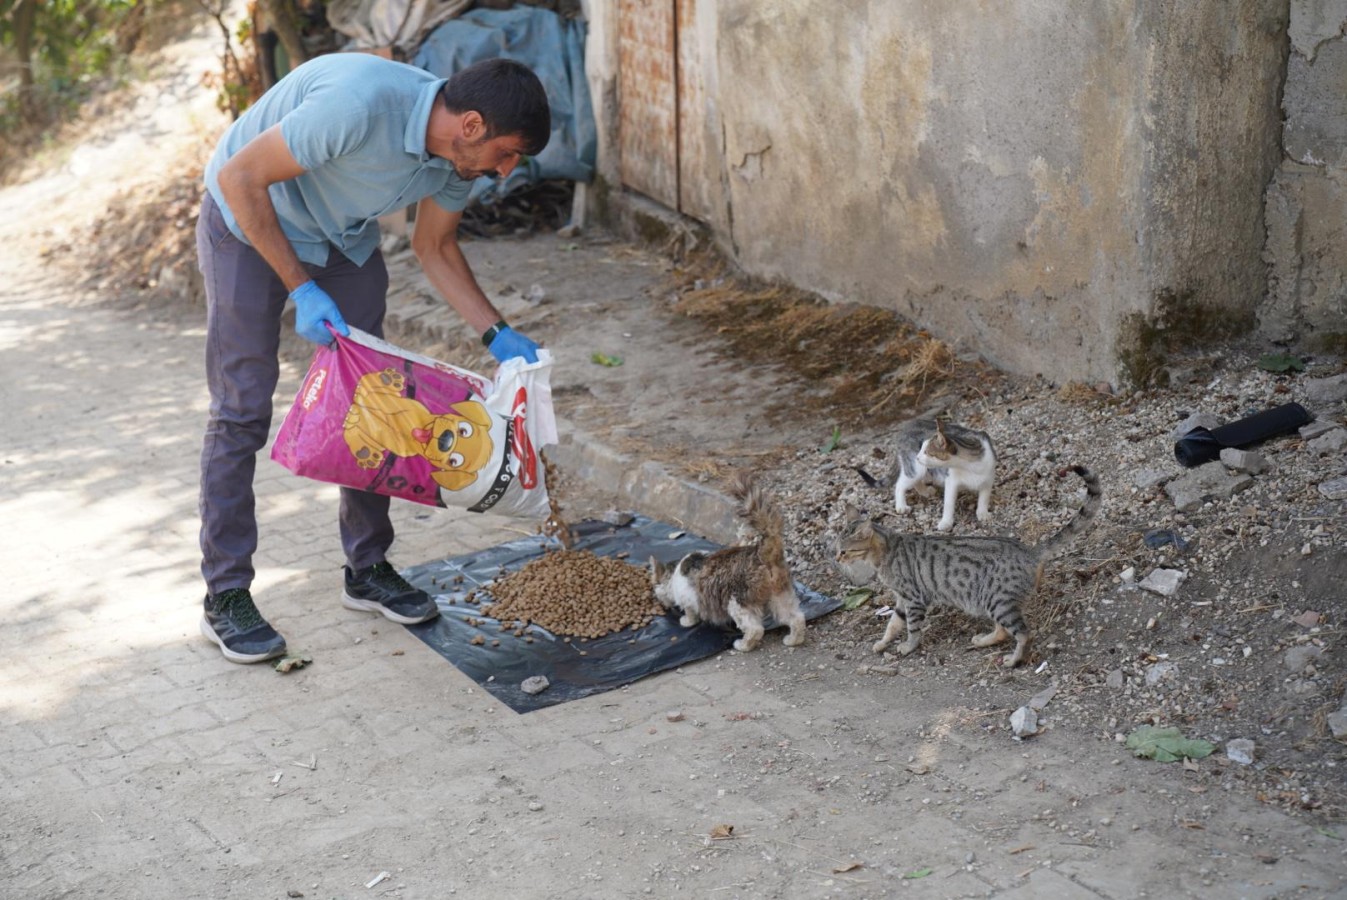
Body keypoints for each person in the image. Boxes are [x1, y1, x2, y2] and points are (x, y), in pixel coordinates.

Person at [195, 53, 550, 663]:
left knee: (379, 398)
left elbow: (433, 244)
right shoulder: (359, 105)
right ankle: (225, 593)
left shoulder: (455, 163)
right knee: (242, 409)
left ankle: (367, 567)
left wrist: (496, 334)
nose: (505, 170)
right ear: (471, 125)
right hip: (248, 224)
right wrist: (302, 289)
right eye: (507, 153)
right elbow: (239, 178)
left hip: (341, 240)